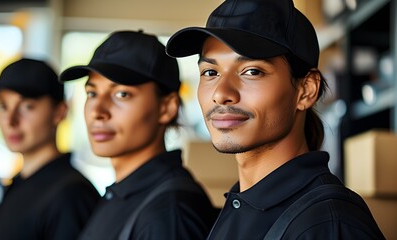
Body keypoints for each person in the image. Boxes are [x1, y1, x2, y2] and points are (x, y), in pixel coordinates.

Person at [165, 0, 386, 239]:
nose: (221, 93)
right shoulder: (241, 203)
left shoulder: (327, 225)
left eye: (252, 71)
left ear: (306, 90)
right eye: (211, 72)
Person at [59, 30, 218, 240]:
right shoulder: (122, 193)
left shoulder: (168, 213)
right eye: (92, 93)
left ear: (167, 107)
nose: (98, 112)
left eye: (122, 94)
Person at [0, 58, 101, 240]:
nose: (11, 121)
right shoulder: (21, 182)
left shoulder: (70, 195)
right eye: (4, 106)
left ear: (59, 112)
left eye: (27, 106)